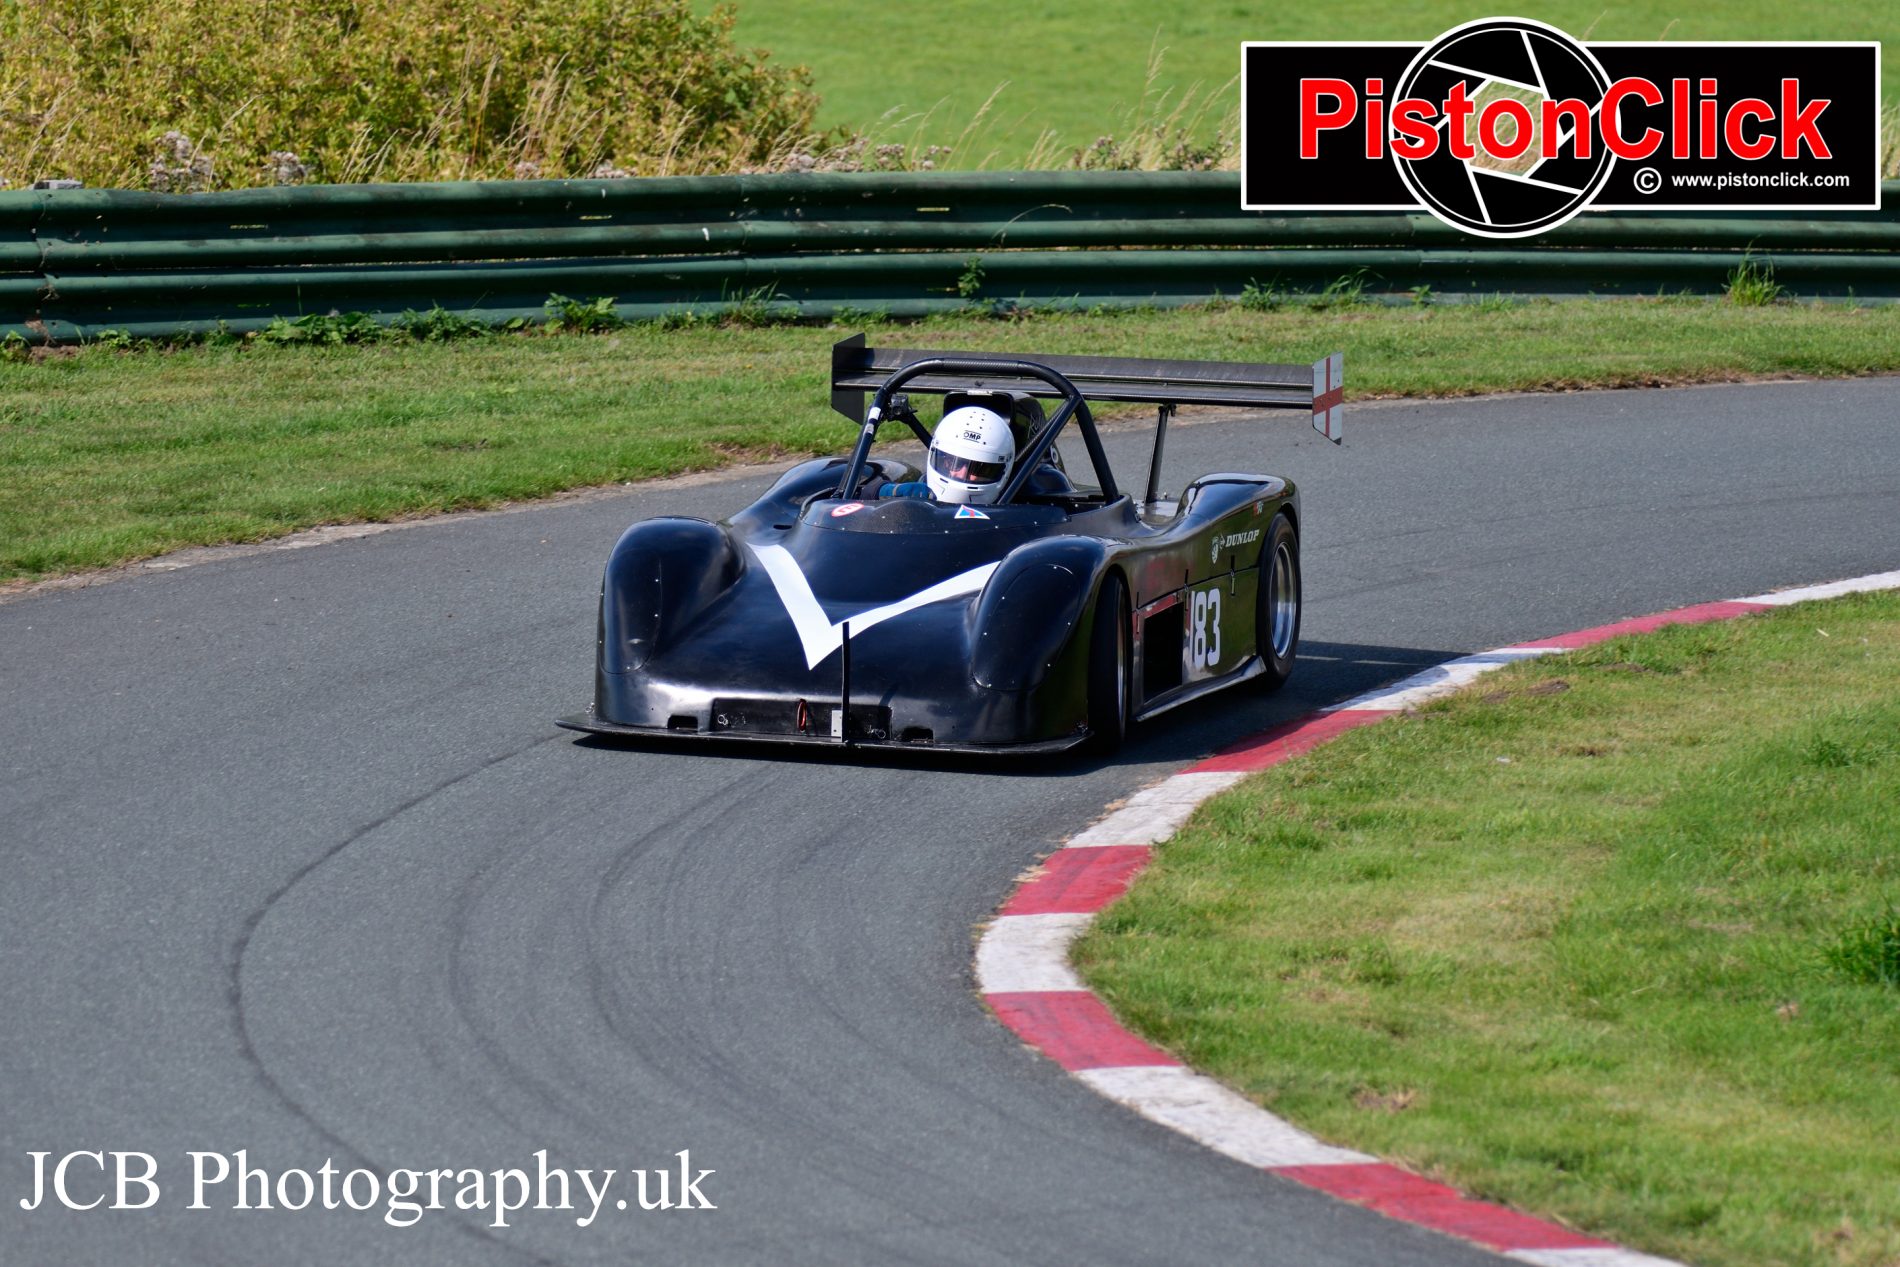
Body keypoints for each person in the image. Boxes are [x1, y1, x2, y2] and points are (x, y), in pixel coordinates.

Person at [878, 403, 1017, 505]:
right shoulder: (915, 493)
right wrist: (882, 490)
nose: (961, 474)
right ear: (936, 455)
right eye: (953, 463)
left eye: (979, 469)